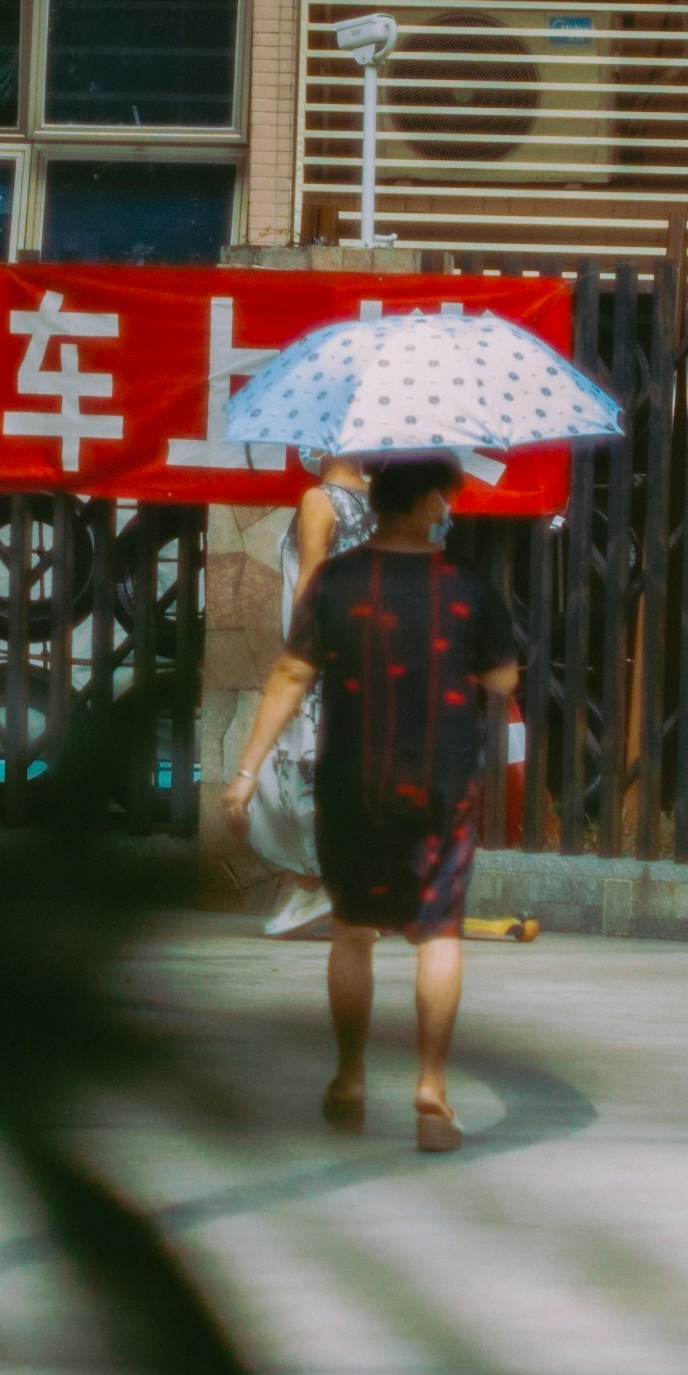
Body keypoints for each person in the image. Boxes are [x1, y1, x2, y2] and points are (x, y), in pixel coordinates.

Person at [215, 454, 519, 1155]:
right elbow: (502, 675)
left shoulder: (337, 584)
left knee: (353, 930)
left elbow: (292, 671)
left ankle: (350, 1080)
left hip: (351, 780)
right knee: (437, 934)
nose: (448, 511)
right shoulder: (465, 586)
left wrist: (246, 772)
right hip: (440, 783)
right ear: (423, 505)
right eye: (444, 499)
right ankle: (431, 1093)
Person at [238, 455, 373, 937]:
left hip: (325, 658)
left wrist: (300, 656)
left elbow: (311, 587)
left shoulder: (320, 500)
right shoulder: (383, 503)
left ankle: (314, 884)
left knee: (295, 775)